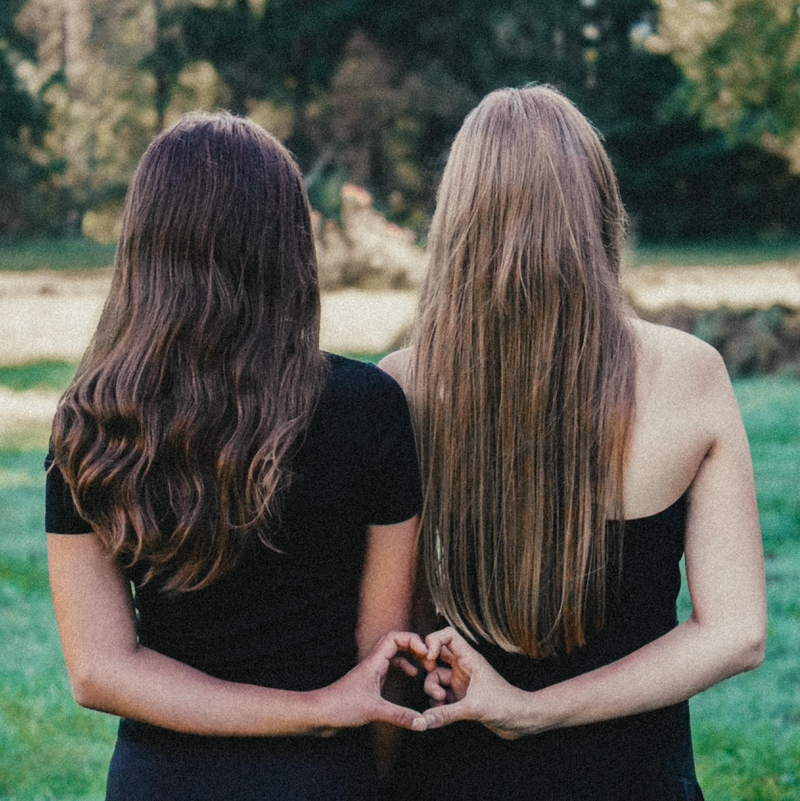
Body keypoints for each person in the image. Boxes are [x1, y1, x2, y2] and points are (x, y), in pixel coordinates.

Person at [379, 85, 766, 800]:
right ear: (601, 213)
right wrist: (535, 711)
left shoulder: (403, 385)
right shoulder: (689, 373)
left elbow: (391, 630)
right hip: (634, 778)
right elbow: (735, 632)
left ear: (457, 221)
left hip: (456, 776)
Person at [45, 111, 428, 801]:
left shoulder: (95, 420)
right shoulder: (367, 406)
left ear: (144, 245)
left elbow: (102, 669)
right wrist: (322, 718)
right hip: (321, 779)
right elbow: (386, 656)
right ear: (289, 243)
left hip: (161, 780)